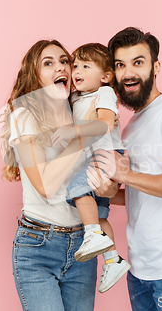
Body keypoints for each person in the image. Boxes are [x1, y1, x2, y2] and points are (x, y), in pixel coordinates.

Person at [86, 27, 162, 310]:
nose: (128, 72)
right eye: (120, 65)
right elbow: (140, 191)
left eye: (138, 62)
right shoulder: (129, 128)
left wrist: (124, 174)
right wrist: (103, 191)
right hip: (139, 271)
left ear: (156, 67)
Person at [0, 40, 100, 311]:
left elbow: (93, 186)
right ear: (35, 75)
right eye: (49, 63)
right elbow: (45, 185)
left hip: (83, 246)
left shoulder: (81, 110)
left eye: (64, 61)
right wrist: (85, 134)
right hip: (39, 246)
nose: (61, 67)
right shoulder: (23, 116)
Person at [51, 43, 131, 293]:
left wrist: (72, 131)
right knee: (99, 214)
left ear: (106, 76)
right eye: (75, 65)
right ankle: (113, 260)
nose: (77, 71)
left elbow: (106, 123)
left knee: (76, 189)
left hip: (105, 154)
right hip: (90, 156)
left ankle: (92, 234)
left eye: (86, 66)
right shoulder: (76, 97)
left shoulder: (104, 93)